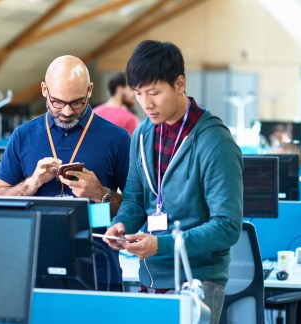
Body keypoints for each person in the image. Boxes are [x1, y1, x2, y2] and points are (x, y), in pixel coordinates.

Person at [103, 40, 243, 324]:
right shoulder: (142, 135)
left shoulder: (214, 141)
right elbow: (133, 200)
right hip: (152, 276)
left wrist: (162, 245)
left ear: (180, 84)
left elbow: (227, 226)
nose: (146, 104)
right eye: (139, 93)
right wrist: (121, 225)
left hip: (198, 282)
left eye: (154, 92)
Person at [0, 55, 131, 292]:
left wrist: (101, 193)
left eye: (77, 102)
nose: (66, 111)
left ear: (90, 90)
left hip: (99, 272)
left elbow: (139, 206)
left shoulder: (117, 139)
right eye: (57, 102)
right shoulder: (23, 136)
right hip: (33, 270)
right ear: (44, 90)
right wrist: (30, 185)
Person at [93, 72, 139, 136]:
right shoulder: (130, 119)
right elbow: (133, 145)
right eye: (131, 89)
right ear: (119, 90)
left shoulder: (94, 113)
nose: (133, 94)